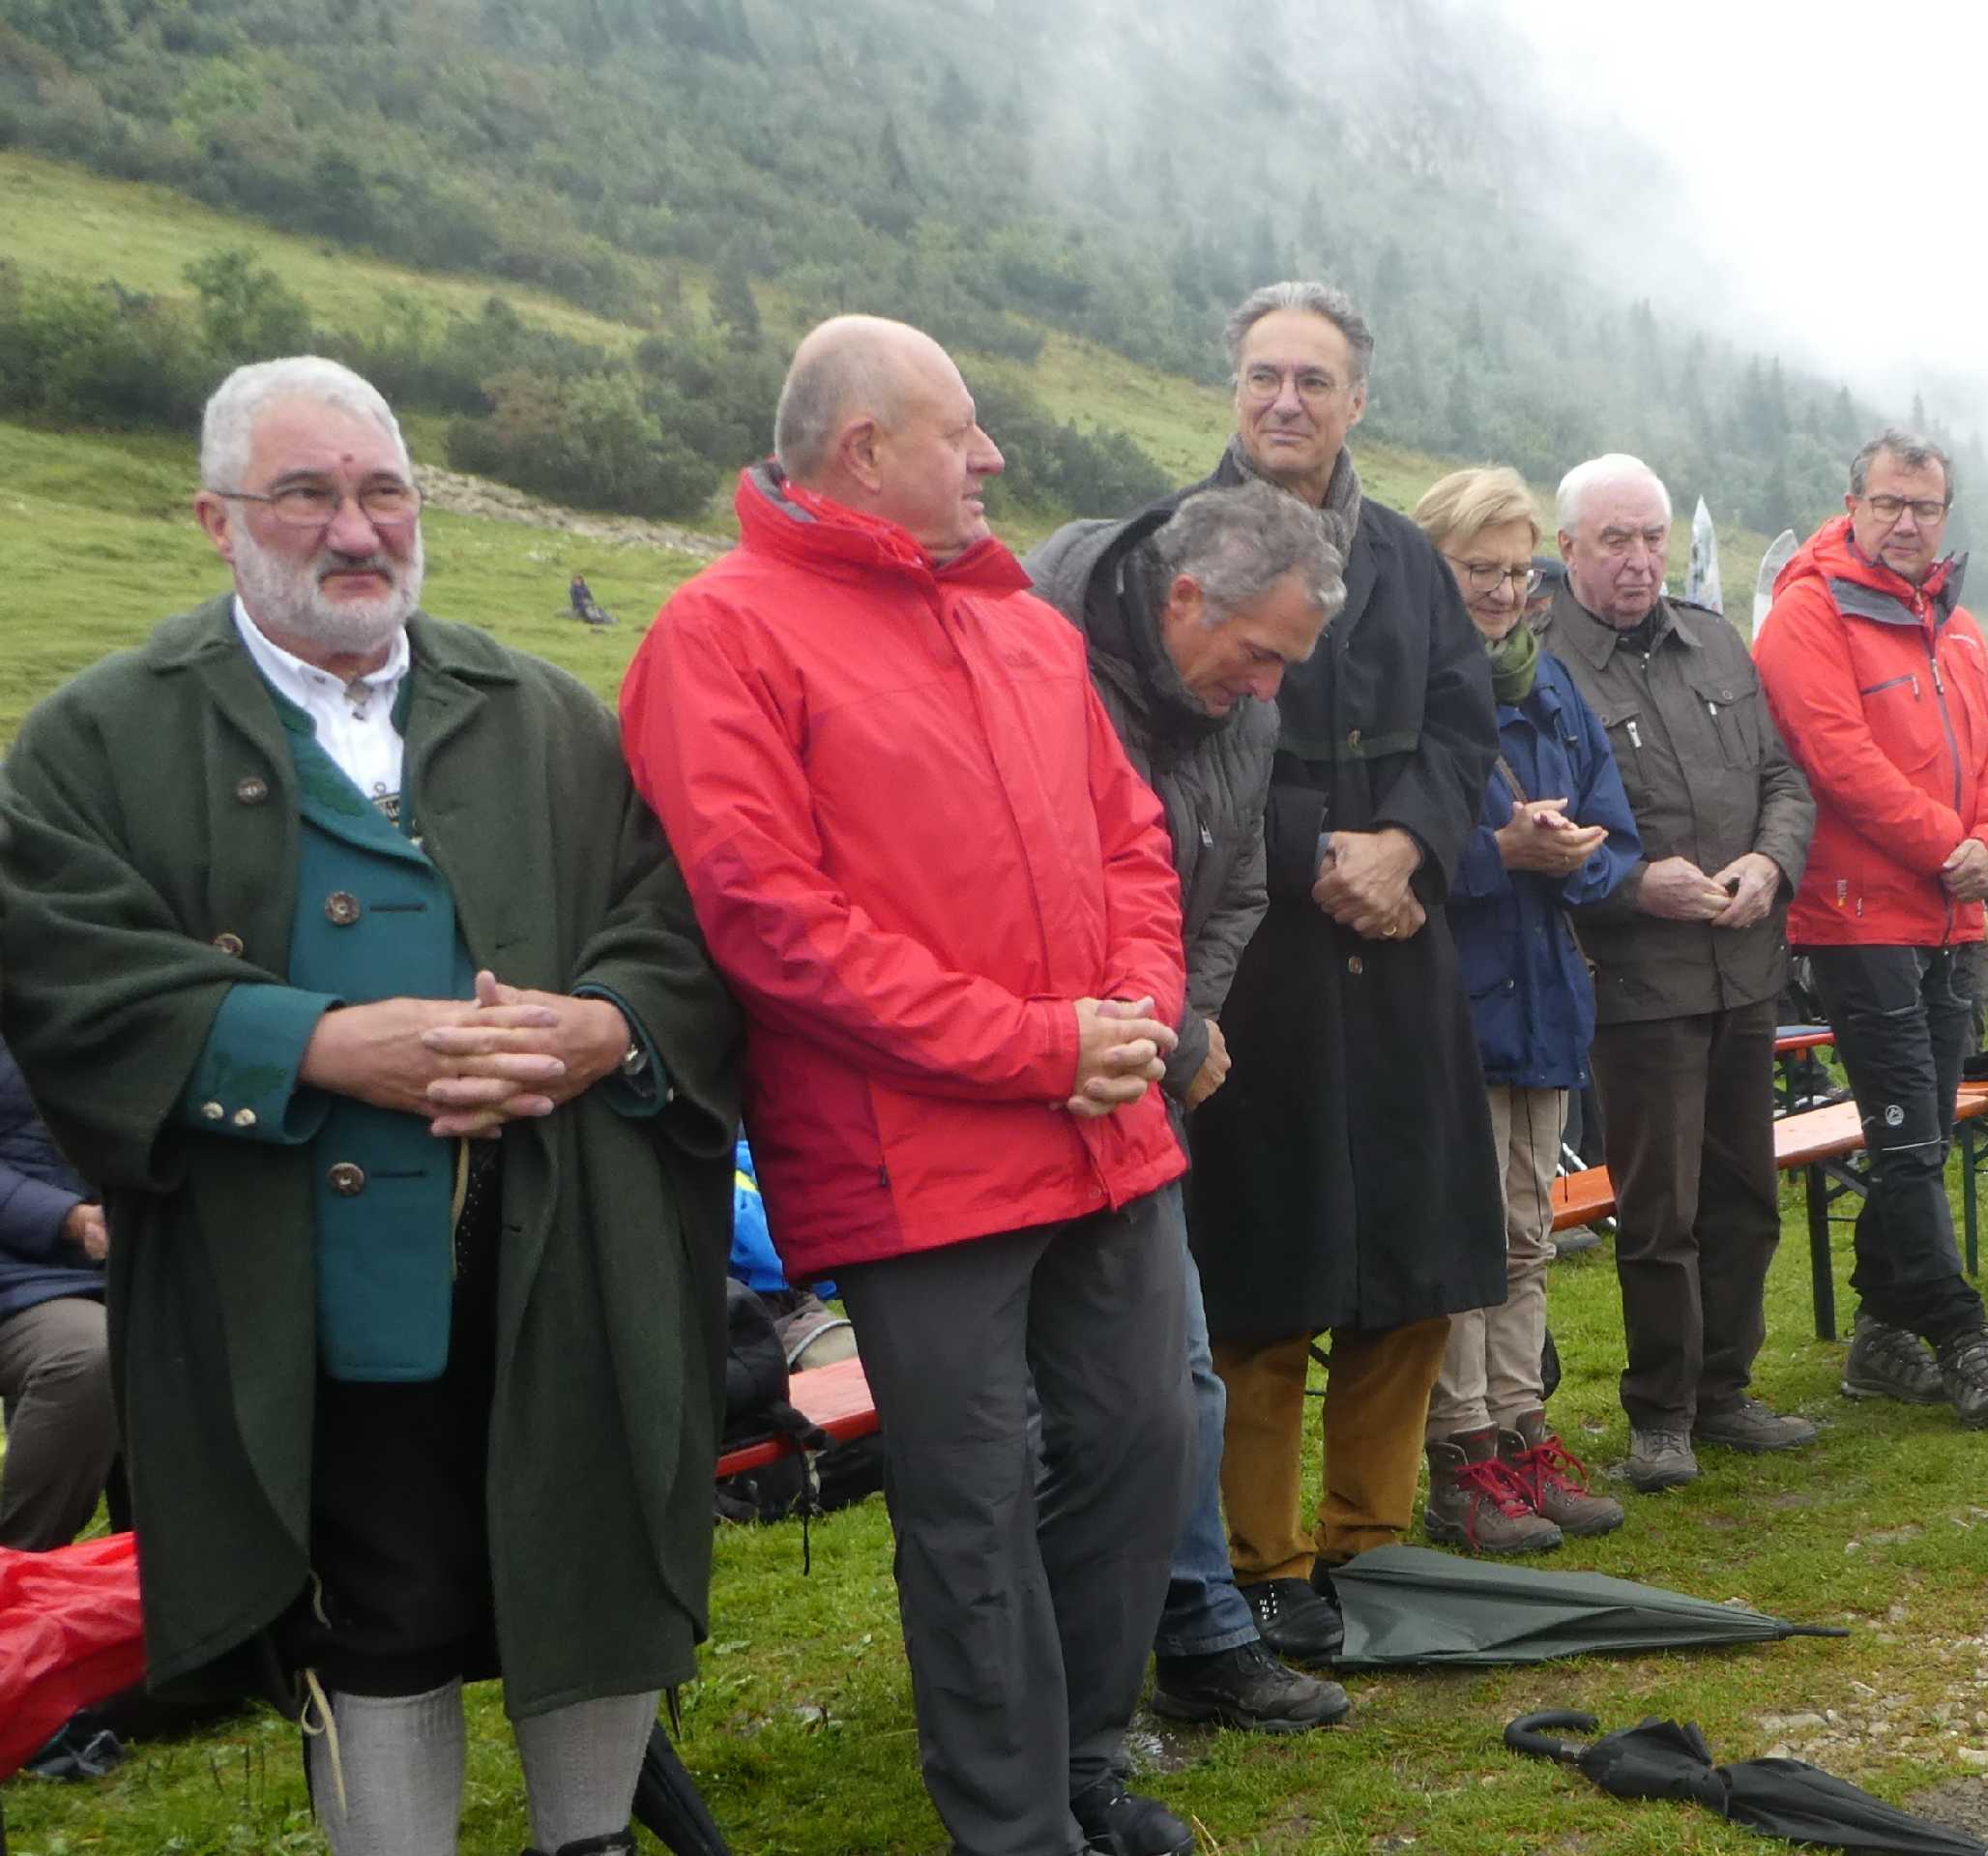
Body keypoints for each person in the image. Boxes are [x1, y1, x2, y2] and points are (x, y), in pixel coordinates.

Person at [0, 356, 744, 1856]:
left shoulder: (544, 709)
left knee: (588, 1548)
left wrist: (605, 1024)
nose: (356, 528)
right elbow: (65, 969)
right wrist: (318, 1045)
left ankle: (591, 1839)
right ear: (217, 519)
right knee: (377, 1602)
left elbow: (678, 921)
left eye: (383, 490)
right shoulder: (102, 738)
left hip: (563, 1246)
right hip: (304, 1279)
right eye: (306, 493)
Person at [620, 315, 1197, 1856]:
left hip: (1104, 1123)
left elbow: (1132, 837)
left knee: (1145, 1437)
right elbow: (769, 920)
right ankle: (1015, 1824)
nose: (992, 455)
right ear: (865, 448)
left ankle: (1081, 1764)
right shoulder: (720, 634)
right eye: (963, 429)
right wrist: (1039, 1043)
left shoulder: (1021, 626)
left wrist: (1138, 1006)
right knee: (971, 1500)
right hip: (911, 1161)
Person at [1167, 281, 1506, 1663]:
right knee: (1261, 1270)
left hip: (1402, 938)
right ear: (1234, 390)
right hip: (1256, 957)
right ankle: (1262, 1564)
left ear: (1357, 399)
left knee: (1412, 1262)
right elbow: (1174, 742)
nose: (1286, 400)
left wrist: (1409, 844)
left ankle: (1373, 1544)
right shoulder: (1181, 545)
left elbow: (1463, 727)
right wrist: (1317, 847)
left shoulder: (1411, 562)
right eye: (1264, 376)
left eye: (1313, 379)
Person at [1026, 481, 1357, 1737]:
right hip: (1023, 1078)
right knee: (1059, 1413)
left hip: (1140, 1075)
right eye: (1260, 653)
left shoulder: (1240, 709)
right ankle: (1046, 1689)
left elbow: (1233, 889)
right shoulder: (1034, 658)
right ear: (1183, 598)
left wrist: (1179, 1026)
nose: (1270, 687)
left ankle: (1200, 1635)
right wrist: (1149, 1035)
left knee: (1177, 1381)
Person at [1536, 454, 1819, 1492]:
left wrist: (1770, 863)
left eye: (1651, 536)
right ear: (1567, 547)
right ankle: (1660, 1413)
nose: (1639, 559)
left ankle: (1724, 1390)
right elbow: (1541, 831)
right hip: (1636, 981)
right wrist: (1630, 885)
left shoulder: (1715, 642)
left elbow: (1784, 779)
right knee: (1659, 1211)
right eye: (1614, 539)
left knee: (1746, 1194)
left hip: (1744, 967)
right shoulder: (1545, 670)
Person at [1753, 429, 1988, 1430]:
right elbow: (1833, 758)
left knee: (1920, 1129)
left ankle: (1878, 1335)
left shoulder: (1955, 625)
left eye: (1924, 507)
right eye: (1888, 503)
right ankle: (1961, 1337)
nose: (1906, 522)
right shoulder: (1808, 612)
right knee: (1910, 1133)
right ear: (1853, 505)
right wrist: (1949, 845)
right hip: (1856, 916)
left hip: (1953, 913)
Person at [1401, 465, 1640, 1547]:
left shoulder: (1553, 691)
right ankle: (1461, 1464)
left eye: (1515, 571)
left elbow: (1615, 840)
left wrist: (1576, 852)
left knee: (1525, 1235)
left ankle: (1521, 1440)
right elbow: (1386, 852)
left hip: (1542, 1004)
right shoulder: (1399, 686)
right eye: (1478, 569)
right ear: (1430, 567)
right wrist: (1498, 853)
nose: (1502, 592)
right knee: (1461, 1246)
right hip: (1443, 1006)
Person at [0, 1036, 111, 1552]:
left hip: (134, 1267)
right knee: (87, 1354)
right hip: (21, 1278)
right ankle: (21, 1565)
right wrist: (69, 1219)